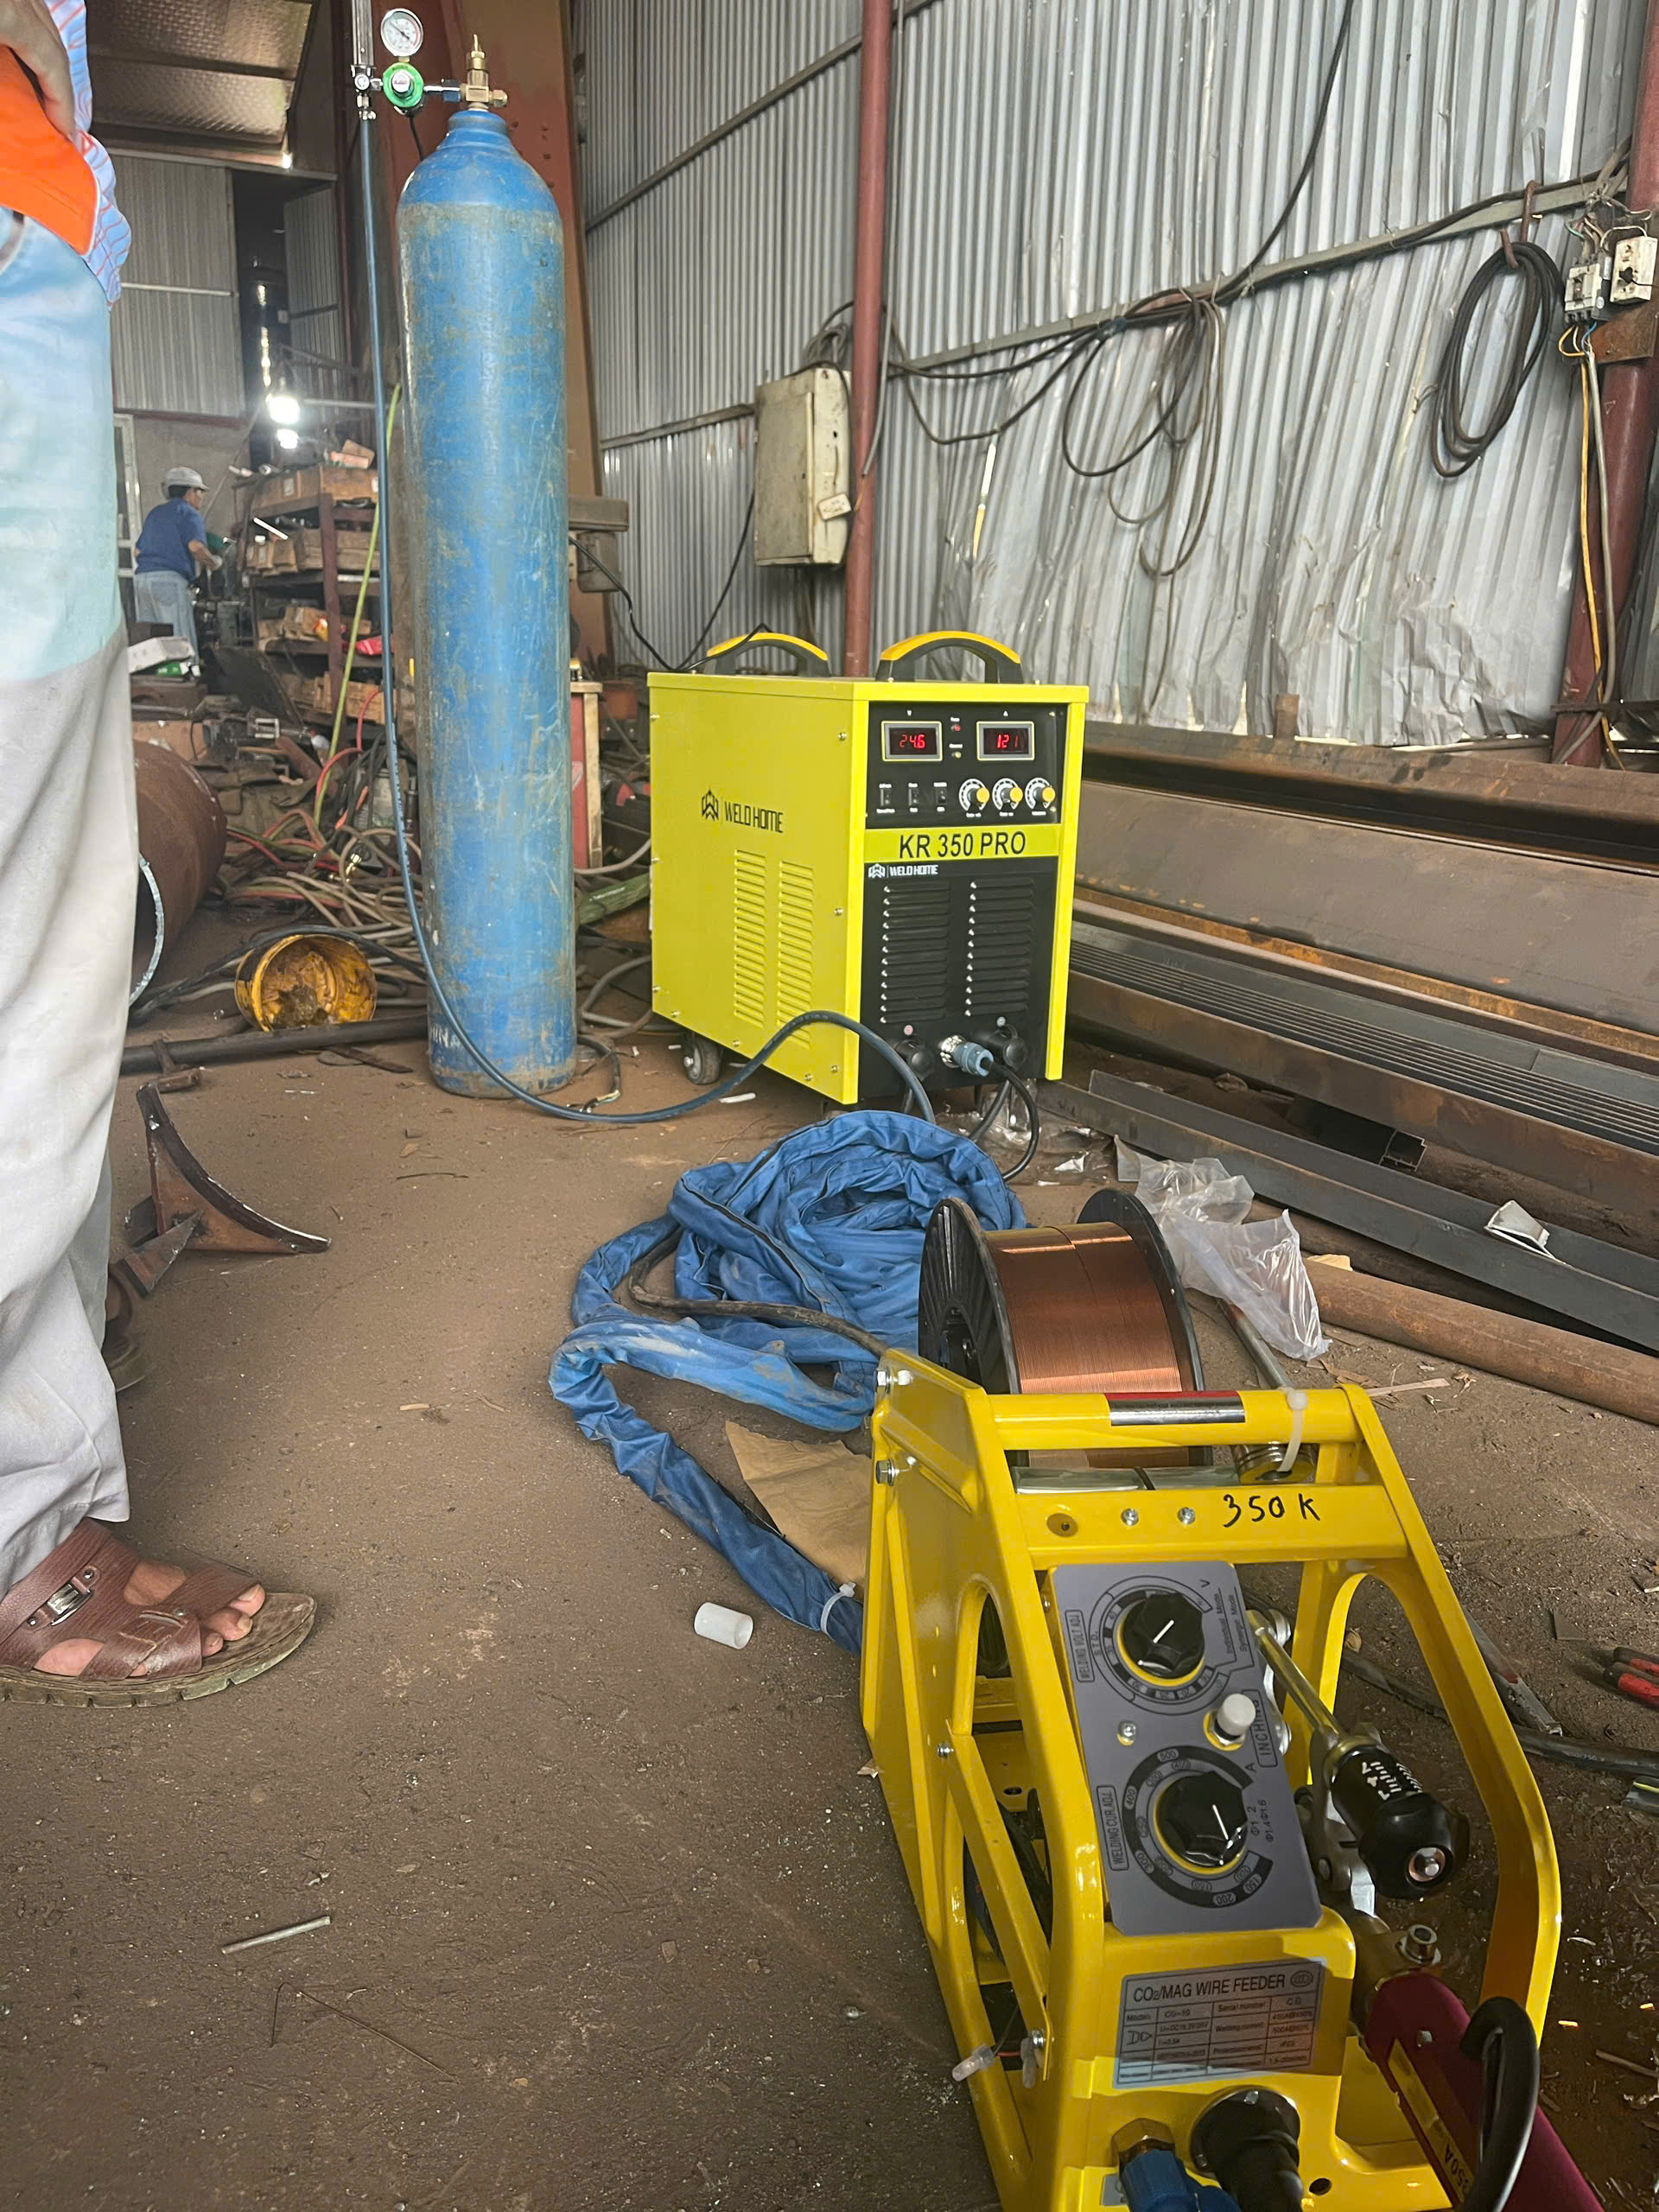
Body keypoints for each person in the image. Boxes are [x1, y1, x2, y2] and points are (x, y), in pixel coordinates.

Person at [0, 0, 313, 1700]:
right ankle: (24, 1529)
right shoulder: (188, 517)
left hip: (34, 248)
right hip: (13, 247)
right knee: (29, 974)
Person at [133, 463, 218, 658]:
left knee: (152, 641)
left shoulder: (155, 513)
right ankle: (188, 676)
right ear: (190, 492)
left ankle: (155, 675)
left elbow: (137, 552)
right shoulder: (189, 513)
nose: (201, 497)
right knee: (180, 641)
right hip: (168, 583)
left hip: (142, 582)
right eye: (199, 492)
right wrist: (214, 564)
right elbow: (196, 547)